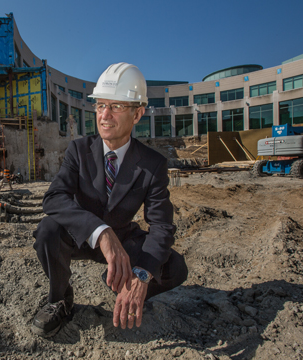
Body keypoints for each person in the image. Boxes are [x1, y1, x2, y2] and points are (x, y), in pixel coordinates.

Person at [31, 62, 188, 338]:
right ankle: (60, 299)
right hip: (81, 236)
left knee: (174, 267)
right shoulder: (79, 150)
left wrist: (141, 275)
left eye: (116, 107)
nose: (104, 115)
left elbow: (162, 227)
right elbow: (54, 198)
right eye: (101, 105)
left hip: (124, 240)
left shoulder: (152, 165)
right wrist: (101, 232)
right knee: (48, 230)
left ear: (137, 113)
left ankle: (125, 288)